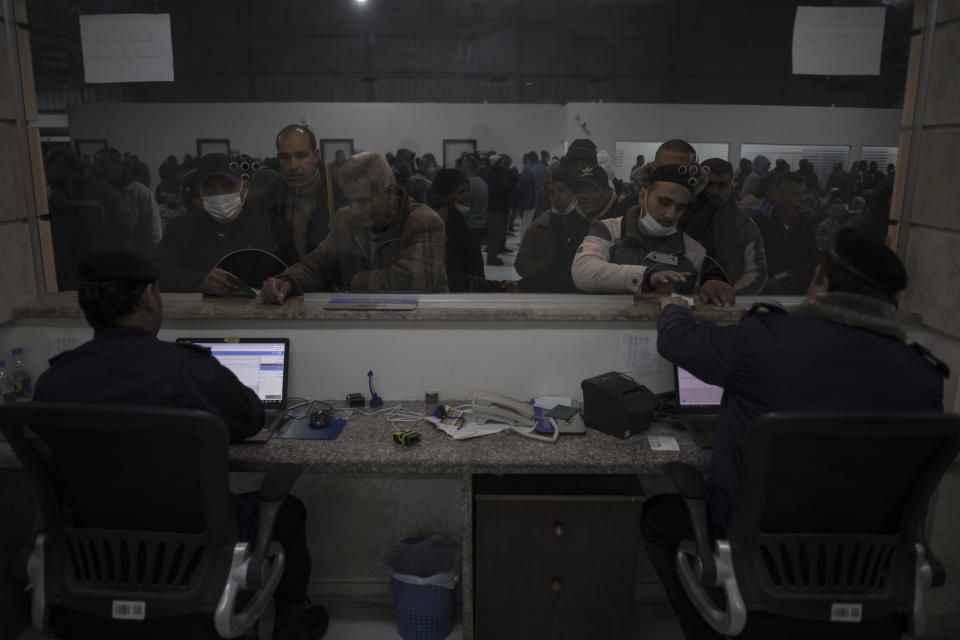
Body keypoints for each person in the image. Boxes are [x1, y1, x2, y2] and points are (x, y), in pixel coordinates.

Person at [641, 229, 947, 640]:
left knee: (657, 518)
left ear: (821, 281)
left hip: (758, 560)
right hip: (869, 571)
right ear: (889, 300)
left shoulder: (765, 340)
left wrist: (674, 307)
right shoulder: (924, 375)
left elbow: (678, 341)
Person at [32, 250, 329, 640]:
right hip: (194, 551)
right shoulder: (190, 370)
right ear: (149, 298)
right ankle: (293, 624)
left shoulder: (53, 381)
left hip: (95, 555)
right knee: (287, 511)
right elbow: (252, 418)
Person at [260, 152, 447, 300]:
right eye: (350, 201)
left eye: (363, 201)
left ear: (390, 193)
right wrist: (287, 281)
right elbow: (317, 265)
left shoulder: (424, 222)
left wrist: (355, 282)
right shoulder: (345, 220)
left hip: (420, 329)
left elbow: (411, 282)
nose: (355, 210)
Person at [571, 163, 733, 304]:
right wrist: (647, 278)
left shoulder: (693, 250)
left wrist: (713, 283)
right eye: (664, 202)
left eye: (680, 208)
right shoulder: (608, 230)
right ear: (643, 196)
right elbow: (583, 271)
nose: (670, 215)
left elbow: (706, 285)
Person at [151, 153, 297, 294]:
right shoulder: (182, 228)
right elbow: (157, 268)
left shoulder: (271, 225)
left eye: (228, 186)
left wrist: (283, 284)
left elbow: (296, 269)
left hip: (264, 312)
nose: (219, 194)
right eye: (210, 188)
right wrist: (200, 281)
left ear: (244, 187)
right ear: (200, 191)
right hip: (205, 314)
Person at [42, 145, 135, 290]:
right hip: (65, 276)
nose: (46, 172)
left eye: (50, 167)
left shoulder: (102, 192)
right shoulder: (52, 198)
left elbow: (123, 230)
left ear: (63, 166)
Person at [678, 158, 768, 294]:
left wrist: (725, 294)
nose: (714, 191)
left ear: (731, 188)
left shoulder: (744, 225)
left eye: (722, 185)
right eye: (709, 184)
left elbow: (755, 272)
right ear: (698, 185)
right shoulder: (676, 218)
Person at [257, 124, 345, 261]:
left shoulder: (342, 200)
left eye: (301, 156)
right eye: (285, 158)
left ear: (315, 156)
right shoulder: (265, 204)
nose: (293, 166)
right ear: (279, 159)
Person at [429, 169, 515, 292]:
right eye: (461, 192)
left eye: (468, 190)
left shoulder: (455, 218)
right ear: (446, 195)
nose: (468, 195)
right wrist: (496, 287)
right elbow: (455, 277)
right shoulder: (447, 224)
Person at [514, 168, 584, 292]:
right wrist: (552, 271)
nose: (556, 197)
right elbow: (521, 264)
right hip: (546, 291)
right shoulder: (539, 226)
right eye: (551, 193)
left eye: (561, 190)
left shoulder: (584, 221)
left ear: (572, 191)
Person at [747, 172, 817, 294]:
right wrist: (764, 282)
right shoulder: (758, 224)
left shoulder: (804, 225)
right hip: (762, 295)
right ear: (777, 195)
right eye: (795, 194)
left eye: (803, 194)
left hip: (795, 295)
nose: (801, 199)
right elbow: (748, 263)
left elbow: (810, 261)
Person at [94, 147, 164, 252]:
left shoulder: (141, 193)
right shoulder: (96, 192)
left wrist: (151, 260)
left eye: (104, 165)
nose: (99, 170)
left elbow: (154, 232)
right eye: (97, 165)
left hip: (134, 258)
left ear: (118, 164)